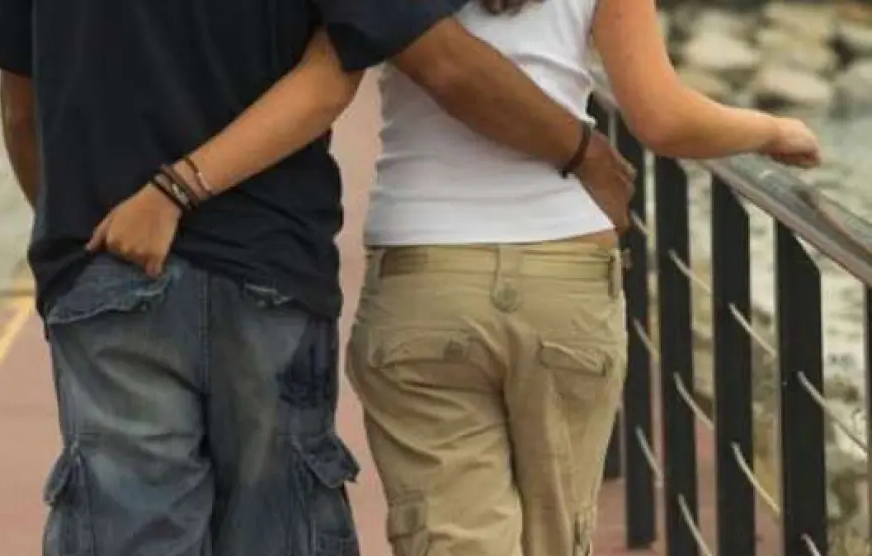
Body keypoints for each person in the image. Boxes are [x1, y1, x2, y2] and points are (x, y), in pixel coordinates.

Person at [0, 0, 638, 555]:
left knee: (129, 522)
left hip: (114, 262)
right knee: (280, 524)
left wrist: (87, 251)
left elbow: (20, 103)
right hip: (269, 267)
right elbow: (336, 76)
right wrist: (584, 152)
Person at [345, 1, 821, 556]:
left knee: (452, 538)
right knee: (557, 536)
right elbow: (663, 118)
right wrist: (771, 128)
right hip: (564, 271)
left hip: (426, 272)